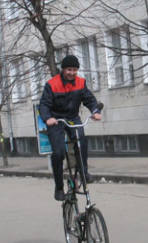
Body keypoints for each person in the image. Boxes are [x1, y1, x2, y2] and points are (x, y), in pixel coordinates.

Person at [39, 55, 102, 201]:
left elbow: (89, 99)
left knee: (81, 140)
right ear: (63, 69)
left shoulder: (80, 82)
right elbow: (44, 104)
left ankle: (83, 173)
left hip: (73, 118)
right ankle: (59, 187)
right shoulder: (52, 84)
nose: (72, 73)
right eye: (69, 70)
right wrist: (48, 118)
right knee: (58, 152)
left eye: (74, 70)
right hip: (56, 120)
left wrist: (95, 111)